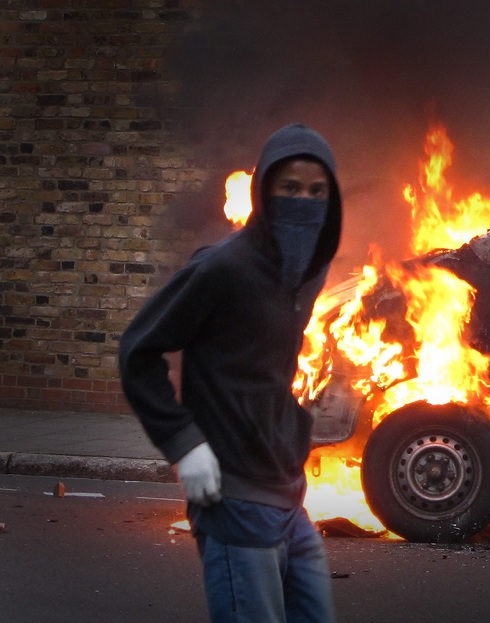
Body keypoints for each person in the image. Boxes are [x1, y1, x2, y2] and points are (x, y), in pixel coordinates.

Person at [119, 123, 342, 622]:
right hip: (235, 499)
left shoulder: (308, 273)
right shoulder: (223, 269)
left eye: (316, 191)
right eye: (289, 188)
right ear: (263, 191)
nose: (303, 202)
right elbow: (139, 350)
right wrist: (184, 443)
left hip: (287, 496)